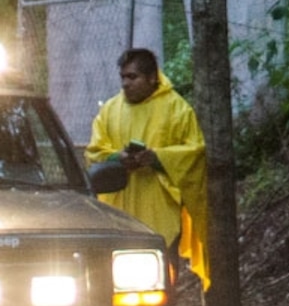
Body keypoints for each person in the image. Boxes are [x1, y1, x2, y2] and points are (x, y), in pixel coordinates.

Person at [83, 48, 210, 290]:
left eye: (133, 77)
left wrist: (157, 158)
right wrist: (118, 158)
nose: (126, 83)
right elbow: (94, 152)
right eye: (123, 77)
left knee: (162, 275)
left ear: (152, 77)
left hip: (160, 208)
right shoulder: (110, 109)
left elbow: (194, 153)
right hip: (118, 208)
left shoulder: (177, 108)